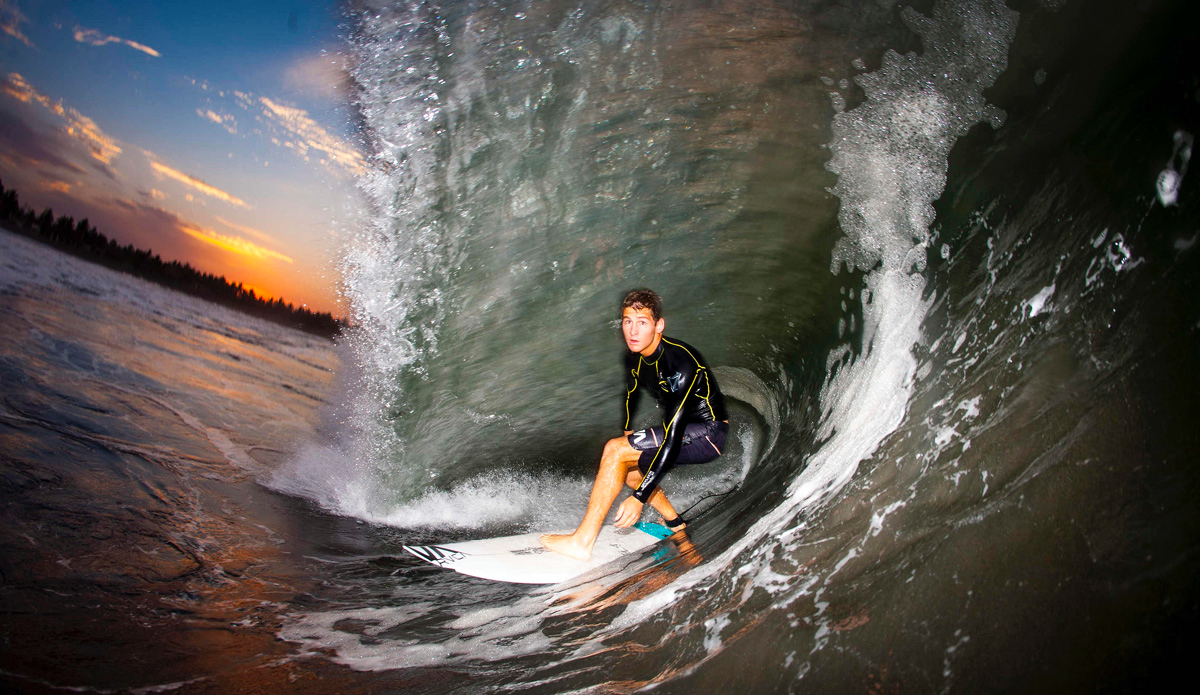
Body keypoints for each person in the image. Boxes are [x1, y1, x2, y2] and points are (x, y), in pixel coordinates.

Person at [540, 288, 728, 561]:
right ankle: (676, 524)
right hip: (686, 430)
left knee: (615, 451)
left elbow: (673, 440)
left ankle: (582, 543)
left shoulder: (681, 363)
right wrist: (628, 430)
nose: (633, 330)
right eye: (628, 321)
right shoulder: (636, 355)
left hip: (709, 434)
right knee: (626, 467)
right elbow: (632, 392)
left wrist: (639, 498)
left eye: (642, 322)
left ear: (658, 325)